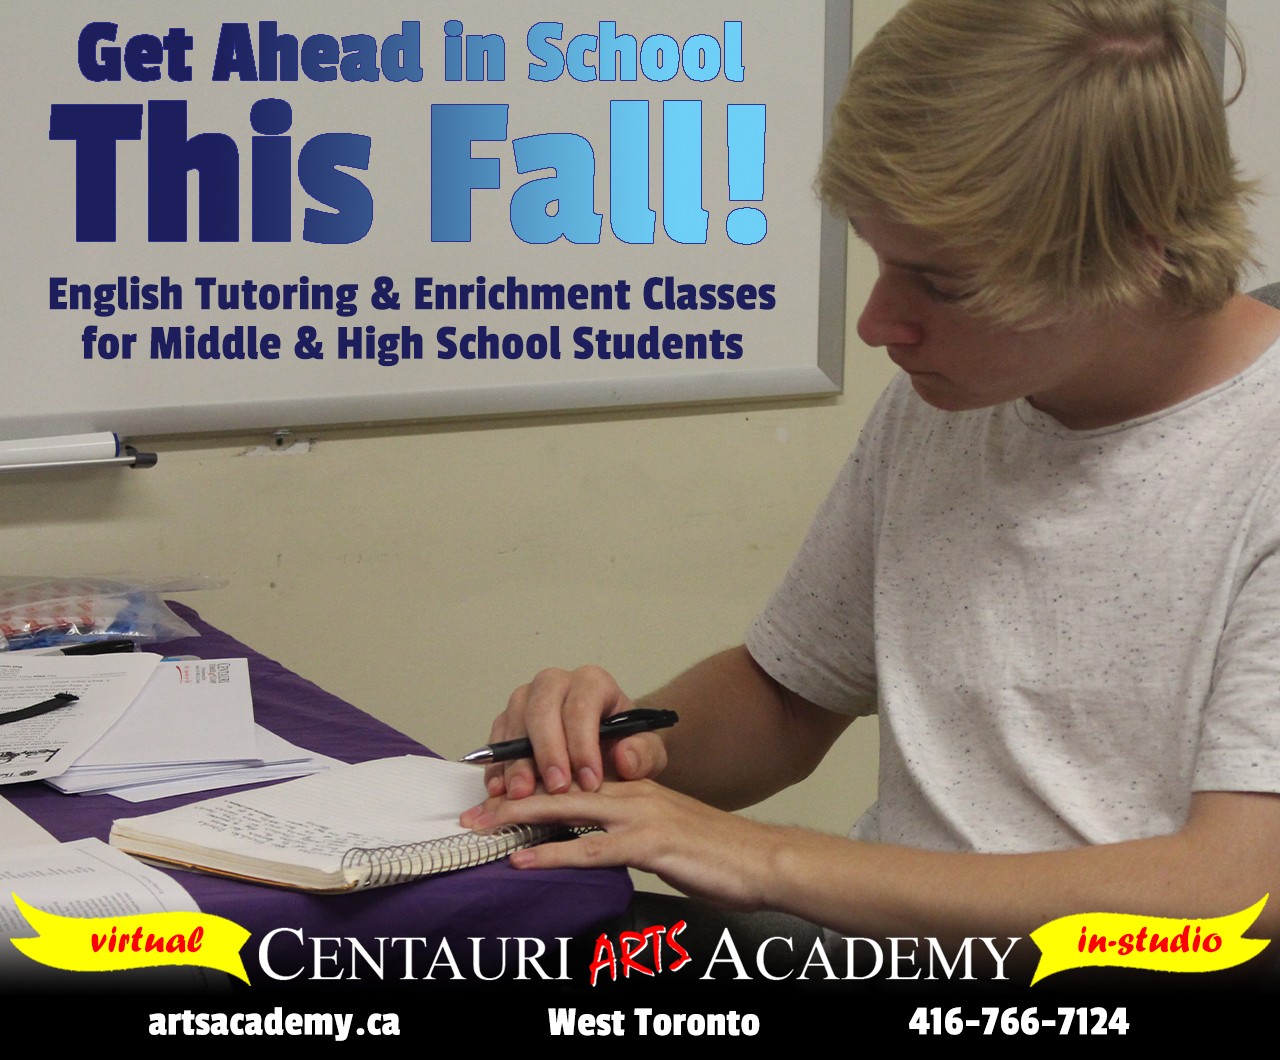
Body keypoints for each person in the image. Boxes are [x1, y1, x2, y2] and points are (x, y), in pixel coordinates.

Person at [462, 0, 1280, 948]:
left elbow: (1234, 890)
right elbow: (789, 694)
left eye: (945, 284)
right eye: (884, 262)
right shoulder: (959, 396)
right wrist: (622, 755)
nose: (879, 324)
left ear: (1138, 252)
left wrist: (757, 857)